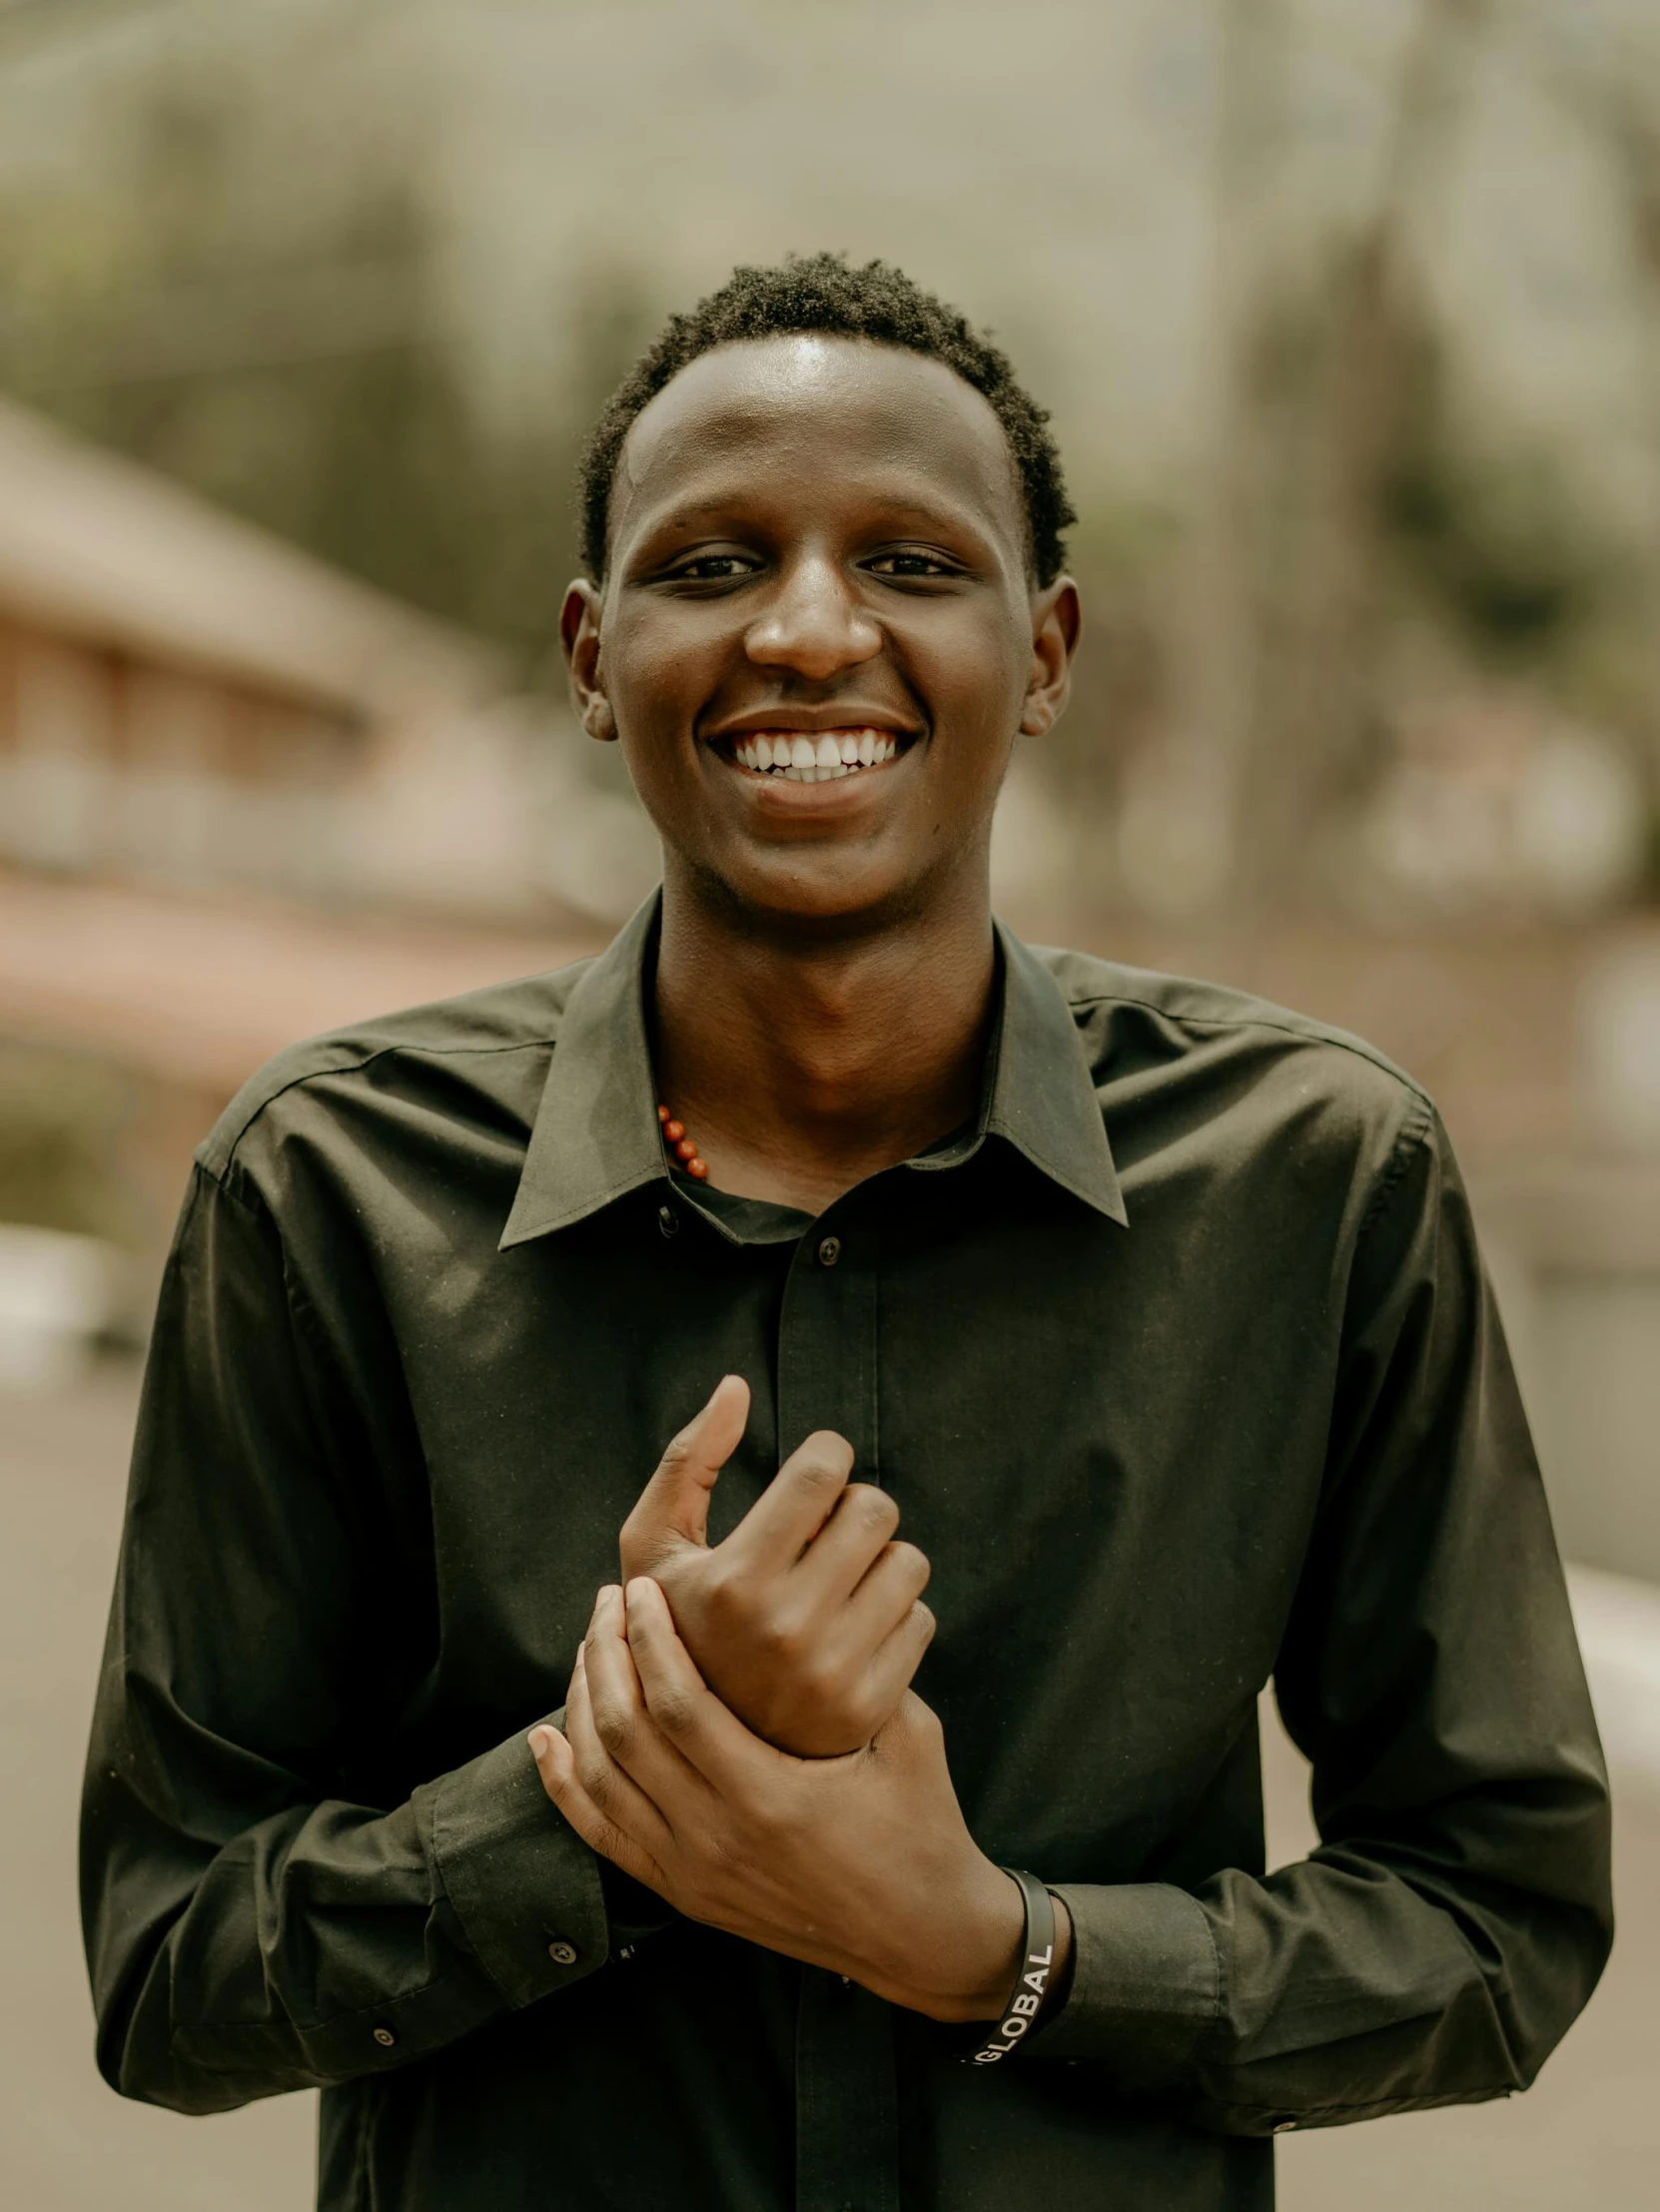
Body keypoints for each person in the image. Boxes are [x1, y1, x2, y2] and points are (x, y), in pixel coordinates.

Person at [82, 254, 1612, 2212]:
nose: (810, 630)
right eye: (711, 566)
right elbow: (169, 1973)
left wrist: (999, 1950)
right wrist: (618, 1800)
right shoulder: (322, 1190)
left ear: (1045, 652)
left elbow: (1500, 1926)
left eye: (911, 561)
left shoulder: (1314, 1180)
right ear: (585, 652)